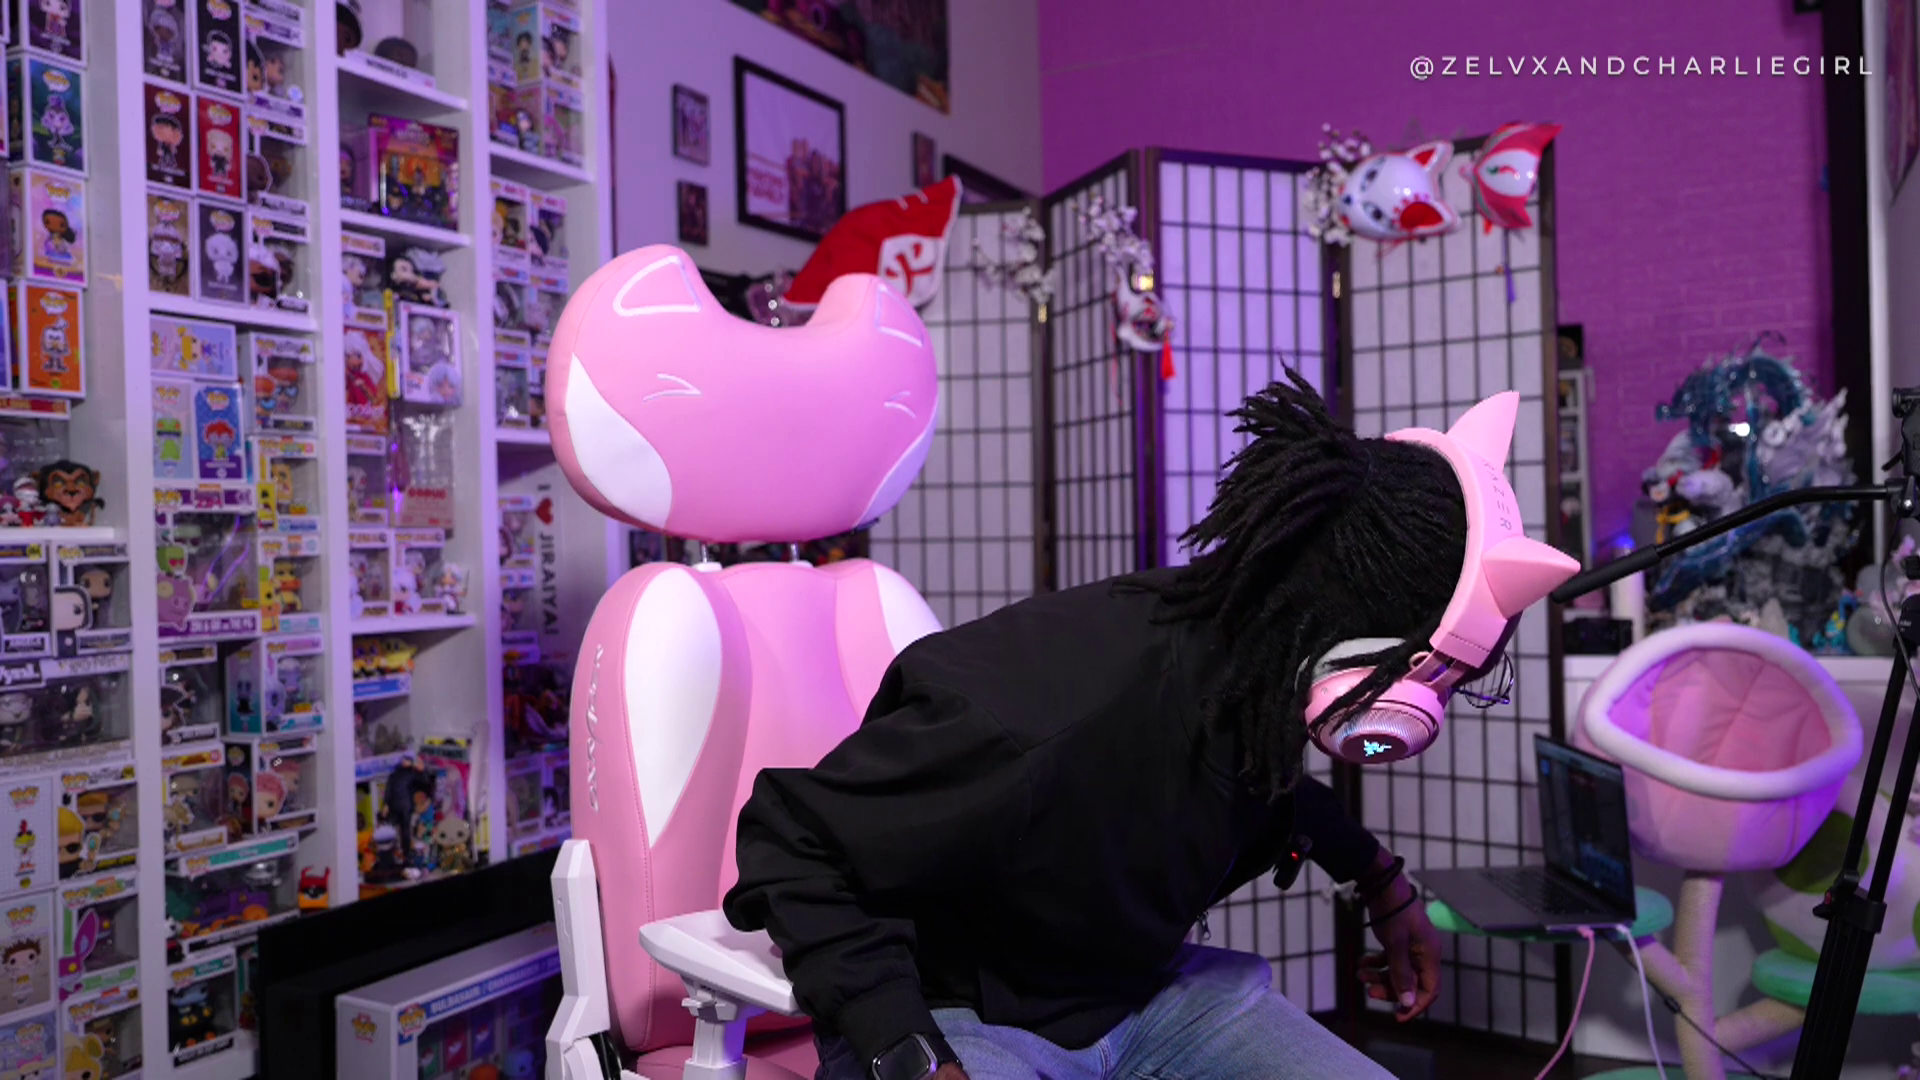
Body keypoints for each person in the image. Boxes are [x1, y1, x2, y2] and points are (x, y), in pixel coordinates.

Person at [725, 373, 1462, 1080]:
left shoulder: (1261, 664)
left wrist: (1381, 882)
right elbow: (796, 840)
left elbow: (1264, 786)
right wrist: (908, 1052)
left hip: (1145, 996)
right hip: (956, 1010)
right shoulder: (1039, 719)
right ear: (1346, 636)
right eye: (1424, 668)